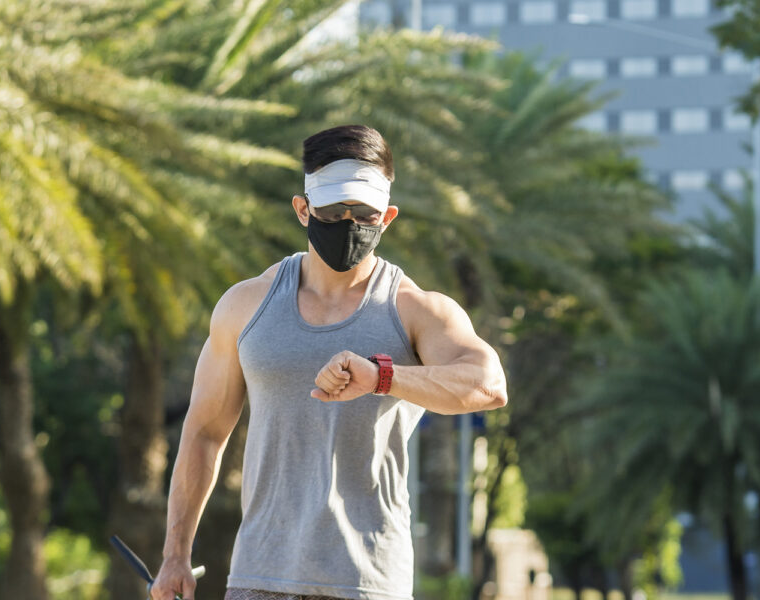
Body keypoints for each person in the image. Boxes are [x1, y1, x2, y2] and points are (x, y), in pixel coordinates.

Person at [149, 125, 509, 600]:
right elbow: (204, 434)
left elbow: (489, 386)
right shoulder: (245, 306)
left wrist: (383, 377)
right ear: (303, 209)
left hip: (368, 582)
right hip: (260, 577)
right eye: (333, 210)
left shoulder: (415, 308)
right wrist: (175, 554)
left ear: (388, 217)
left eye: (364, 213)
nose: (348, 223)